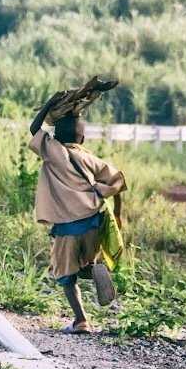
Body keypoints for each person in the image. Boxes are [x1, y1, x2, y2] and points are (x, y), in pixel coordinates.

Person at [28, 91, 127, 334]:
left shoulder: (54, 152)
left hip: (67, 226)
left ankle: (81, 320)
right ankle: (93, 270)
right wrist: (118, 213)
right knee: (83, 264)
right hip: (94, 221)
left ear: (55, 135)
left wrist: (50, 104)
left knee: (65, 275)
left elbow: (33, 129)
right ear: (81, 138)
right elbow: (117, 179)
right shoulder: (88, 157)